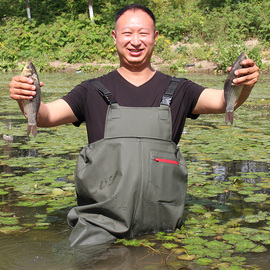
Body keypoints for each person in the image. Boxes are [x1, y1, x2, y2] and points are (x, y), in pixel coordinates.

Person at [9, 4, 259, 247]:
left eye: (143, 33)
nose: (135, 41)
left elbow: (223, 101)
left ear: (155, 37)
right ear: (115, 37)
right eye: (127, 33)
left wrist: (243, 84)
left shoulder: (180, 90)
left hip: (163, 230)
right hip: (99, 228)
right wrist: (25, 96)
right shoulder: (91, 90)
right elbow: (46, 116)